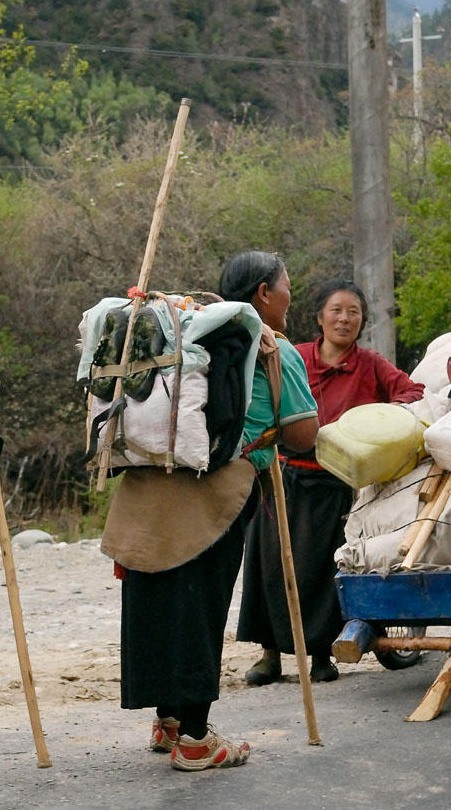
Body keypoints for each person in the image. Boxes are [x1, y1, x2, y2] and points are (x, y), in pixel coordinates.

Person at [103, 250, 318, 772]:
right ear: (265, 293)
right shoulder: (272, 348)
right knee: (200, 608)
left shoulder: (184, 334)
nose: (291, 294)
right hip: (218, 489)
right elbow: (303, 434)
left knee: (155, 603)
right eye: (286, 284)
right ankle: (196, 742)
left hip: (152, 481)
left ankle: (169, 722)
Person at [238, 279, 422, 685]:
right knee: (270, 567)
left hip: (336, 482)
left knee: (322, 570)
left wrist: (380, 418)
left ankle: (321, 653)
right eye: (336, 310)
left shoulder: (371, 364)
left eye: (353, 312)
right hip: (282, 475)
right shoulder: (293, 356)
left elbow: (412, 391)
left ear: (362, 321)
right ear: (319, 317)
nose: (344, 318)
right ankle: (270, 654)